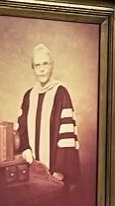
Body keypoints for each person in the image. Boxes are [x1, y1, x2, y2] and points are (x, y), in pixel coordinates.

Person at [16, 42, 81, 190]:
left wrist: (60, 170)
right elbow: (22, 127)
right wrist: (25, 147)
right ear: (33, 69)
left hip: (56, 172)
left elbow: (66, 136)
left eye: (45, 63)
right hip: (31, 169)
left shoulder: (60, 93)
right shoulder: (29, 95)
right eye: (37, 65)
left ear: (52, 65)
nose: (42, 69)